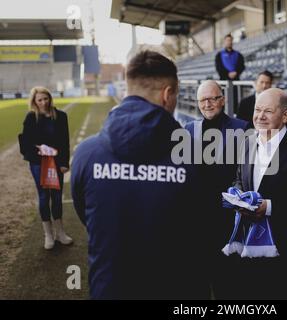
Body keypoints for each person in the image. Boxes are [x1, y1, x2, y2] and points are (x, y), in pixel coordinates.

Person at [71, 50, 208, 299]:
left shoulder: (86, 153)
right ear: (168, 94)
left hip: (110, 288)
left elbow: (86, 215)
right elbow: (202, 226)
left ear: (127, 88)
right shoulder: (194, 154)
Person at [229, 88, 287, 299]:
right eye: (257, 110)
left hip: (284, 253)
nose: (260, 116)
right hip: (247, 249)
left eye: (268, 111)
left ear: (285, 115)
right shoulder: (247, 143)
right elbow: (239, 178)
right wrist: (239, 196)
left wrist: (268, 207)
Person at [184, 80, 249, 299]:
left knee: (228, 280)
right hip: (197, 219)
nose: (208, 104)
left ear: (223, 100)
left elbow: (247, 172)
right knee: (198, 281)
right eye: (203, 99)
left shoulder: (242, 128)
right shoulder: (189, 129)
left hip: (229, 217)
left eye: (213, 98)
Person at [19, 86, 72, 250]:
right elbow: (25, 142)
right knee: (43, 196)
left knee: (57, 197)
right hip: (38, 163)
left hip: (56, 163)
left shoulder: (61, 116)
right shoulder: (31, 118)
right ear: (34, 101)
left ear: (50, 98)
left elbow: (65, 141)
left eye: (45, 98)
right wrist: (40, 149)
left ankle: (60, 233)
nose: (43, 102)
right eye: (39, 100)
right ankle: (48, 235)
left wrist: (64, 163)